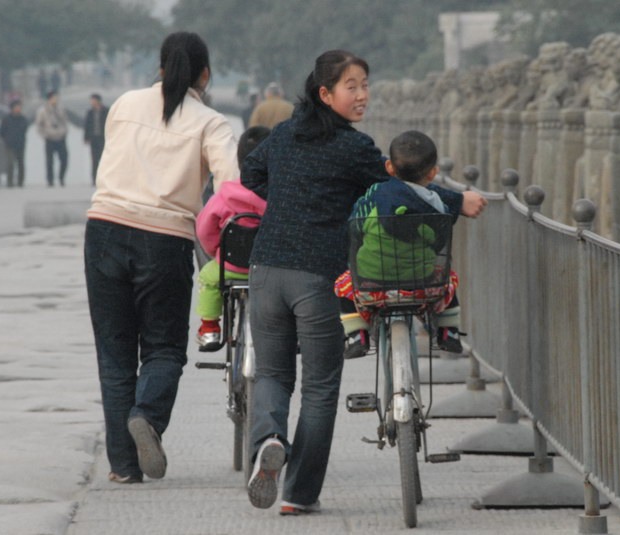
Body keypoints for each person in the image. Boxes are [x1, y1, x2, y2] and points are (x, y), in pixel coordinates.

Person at [240, 49, 486, 515]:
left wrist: (290, 198)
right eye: (351, 86)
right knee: (318, 387)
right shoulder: (355, 148)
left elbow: (251, 171)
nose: (362, 95)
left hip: (267, 268)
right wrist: (458, 201)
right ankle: (298, 494)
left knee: (273, 374)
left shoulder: (285, 135)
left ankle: (270, 440)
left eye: (365, 85)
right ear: (325, 93)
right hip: (319, 277)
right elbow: (405, 193)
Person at [84, 31, 240, 485]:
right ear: (205, 75)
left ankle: (124, 466)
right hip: (164, 240)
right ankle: (147, 416)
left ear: (159, 67)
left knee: (114, 356)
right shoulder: (212, 123)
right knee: (164, 348)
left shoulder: (125, 105)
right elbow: (230, 192)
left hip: (104, 229)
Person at [335, 130, 464, 358]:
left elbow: (356, 224)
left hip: (371, 286)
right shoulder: (436, 202)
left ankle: (356, 335)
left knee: (342, 285)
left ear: (389, 168)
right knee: (449, 280)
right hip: (422, 285)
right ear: (433, 173)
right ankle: (448, 331)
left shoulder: (375, 193)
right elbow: (440, 236)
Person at [195, 126, 270, 350]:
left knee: (209, 279)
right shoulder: (280, 195)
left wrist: (216, 252)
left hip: (230, 266)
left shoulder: (226, 195)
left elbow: (204, 230)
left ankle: (209, 328)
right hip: (269, 269)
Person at [35, 90, 68, 186]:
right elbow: (39, 125)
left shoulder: (61, 109)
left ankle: (61, 177)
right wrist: (44, 135)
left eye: (56, 97)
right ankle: (50, 180)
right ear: (49, 99)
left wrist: (64, 132)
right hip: (49, 137)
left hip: (61, 137)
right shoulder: (43, 111)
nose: (56, 99)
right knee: (49, 161)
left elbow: (65, 121)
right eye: (54, 97)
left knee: (64, 159)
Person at [0, 99, 29, 187]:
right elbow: (1, 132)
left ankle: (20, 182)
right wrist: (7, 139)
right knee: (10, 163)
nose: (18, 109)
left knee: (21, 163)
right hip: (9, 145)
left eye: (19, 107)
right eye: (16, 107)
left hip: (20, 144)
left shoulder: (23, 119)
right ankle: (10, 182)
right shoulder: (6, 119)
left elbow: (25, 129)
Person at [84, 93, 109, 185]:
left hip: (103, 138)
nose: (92, 102)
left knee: (104, 159)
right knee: (94, 160)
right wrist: (86, 137)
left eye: (93, 100)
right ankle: (94, 179)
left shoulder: (106, 111)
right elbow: (87, 125)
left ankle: (105, 179)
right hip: (93, 138)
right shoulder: (90, 112)